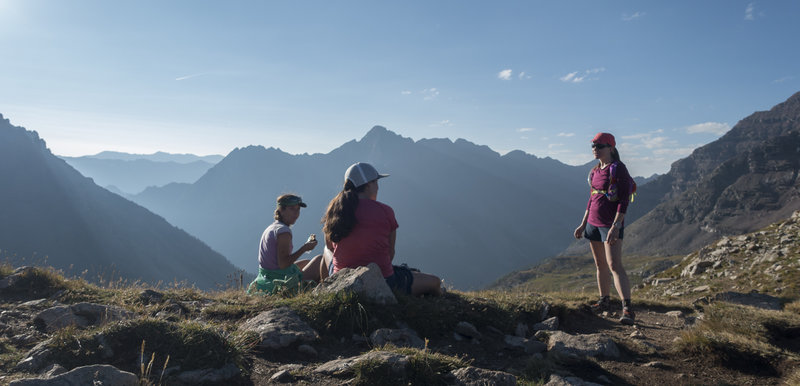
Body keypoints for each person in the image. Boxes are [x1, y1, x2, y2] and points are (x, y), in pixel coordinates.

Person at [320, 162, 443, 296]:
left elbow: (330, 245)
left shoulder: (335, 211)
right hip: (384, 281)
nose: (378, 187)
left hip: (342, 280)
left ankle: (327, 290)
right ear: (368, 184)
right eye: (376, 182)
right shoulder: (385, 211)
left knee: (326, 251)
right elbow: (390, 254)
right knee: (435, 281)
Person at [573, 132, 635, 325]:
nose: (595, 149)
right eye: (593, 145)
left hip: (609, 225)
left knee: (614, 265)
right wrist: (583, 224)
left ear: (611, 148)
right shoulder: (594, 171)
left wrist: (616, 225)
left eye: (599, 146)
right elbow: (592, 198)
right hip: (593, 223)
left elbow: (623, 201)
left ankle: (627, 309)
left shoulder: (618, 169)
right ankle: (604, 301)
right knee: (600, 265)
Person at [247, 194, 324, 295]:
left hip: (268, 275)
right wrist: (304, 248)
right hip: (279, 278)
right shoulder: (284, 232)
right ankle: (319, 292)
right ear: (281, 210)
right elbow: (283, 264)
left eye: (298, 209)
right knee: (319, 260)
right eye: (292, 209)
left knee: (306, 262)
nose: (296, 213)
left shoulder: (272, 228)